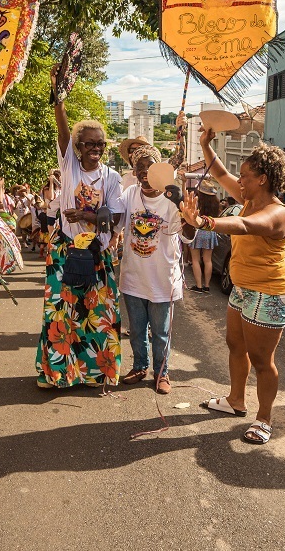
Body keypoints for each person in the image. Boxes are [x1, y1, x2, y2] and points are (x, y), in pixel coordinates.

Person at [180, 135, 285, 445]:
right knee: (235, 345)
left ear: (263, 179)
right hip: (243, 289)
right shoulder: (248, 199)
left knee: (261, 360)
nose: (239, 180)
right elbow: (218, 172)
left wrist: (203, 221)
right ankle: (236, 400)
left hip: (270, 294)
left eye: (245, 175)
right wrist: (205, 144)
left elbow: (245, 226)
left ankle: (264, 419)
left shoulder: (276, 212)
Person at [36, 69, 123, 390]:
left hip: (98, 255)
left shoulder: (111, 177)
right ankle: (55, 374)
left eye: (100, 144)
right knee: (61, 315)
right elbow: (62, 126)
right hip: (65, 251)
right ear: (77, 147)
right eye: (89, 144)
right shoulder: (69, 166)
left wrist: (85, 214)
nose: (95, 149)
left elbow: (113, 220)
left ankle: (95, 372)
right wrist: (58, 96)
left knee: (97, 314)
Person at [119, 145, 192, 394]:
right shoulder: (129, 194)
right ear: (135, 172)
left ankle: (162, 372)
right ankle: (140, 366)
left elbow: (189, 236)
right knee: (137, 330)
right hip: (133, 278)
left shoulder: (171, 200)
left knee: (161, 333)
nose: (146, 173)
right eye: (141, 168)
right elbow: (115, 220)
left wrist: (182, 207)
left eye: (151, 168)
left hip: (162, 279)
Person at [190, 183, 220, 293]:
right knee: (208, 260)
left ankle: (198, 286)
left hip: (198, 231)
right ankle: (207, 286)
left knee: (195, 259)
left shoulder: (198, 202)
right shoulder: (216, 203)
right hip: (210, 231)